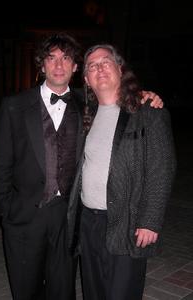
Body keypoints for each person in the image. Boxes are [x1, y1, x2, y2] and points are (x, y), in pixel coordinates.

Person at [0, 32, 164, 300]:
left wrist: (145, 94)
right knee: (26, 289)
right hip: (24, 217)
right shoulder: (14, 106)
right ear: (42, 65)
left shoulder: (87, 102)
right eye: (51, 59)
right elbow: (0, 163)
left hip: (68, 219)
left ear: (75, 68)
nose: (59, 65)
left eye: (66, 58)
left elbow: (119, 96)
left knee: (63, 290)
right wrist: (7, 208)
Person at [67, 44, 176, 300]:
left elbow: (162, 168)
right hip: (89, 221)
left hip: (127, 221)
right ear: (86, 79)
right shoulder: (85, 114)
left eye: (106, 61)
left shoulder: (147, 111)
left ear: (120, 68)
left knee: (121, 293)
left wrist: (149, 221)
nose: (99, 68)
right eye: (92, 66)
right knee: (94, 291)